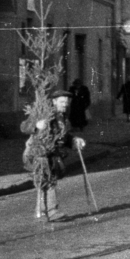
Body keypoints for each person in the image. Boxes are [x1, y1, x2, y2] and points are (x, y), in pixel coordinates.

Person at [23, 91, 84, 222]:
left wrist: (74, 140)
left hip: (52, 153)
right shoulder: (43, 113)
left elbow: (64, 136)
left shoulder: (63, 117)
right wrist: (36, 126)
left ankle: (49, 211)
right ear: (54, 101)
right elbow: (24, 127)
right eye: (62, 102)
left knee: (50, 180)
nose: (65, 105)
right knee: (44, 181)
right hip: (38, 152)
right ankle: (45, 212)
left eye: (67, 103)